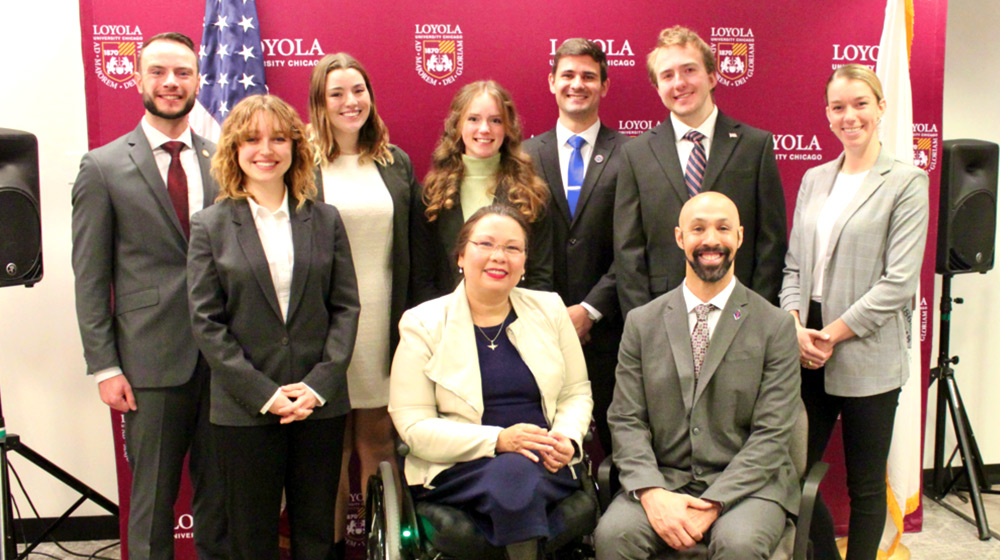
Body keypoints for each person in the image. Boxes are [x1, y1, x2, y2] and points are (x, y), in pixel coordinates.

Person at [70, 31, 227, 560]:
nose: (170, 83)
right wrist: (104, 367)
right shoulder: (103, 166)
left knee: (221, 501)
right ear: (138, 79)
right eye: (158, 72)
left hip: (226, 359)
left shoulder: (224, 160)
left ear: (197, 82)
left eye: (182, 73)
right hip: (149, 362)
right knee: (154, 504)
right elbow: (90, 277)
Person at [187, 94, 360, 560]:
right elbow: (207, 323)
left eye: (279, 138)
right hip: (246, 408)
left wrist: (319, 384)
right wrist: (263, 392)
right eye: (252, 139)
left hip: (317, 404)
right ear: (234, 150)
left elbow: (345, 308)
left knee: (315, 533)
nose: (266, 149)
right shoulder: (210, 225)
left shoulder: (325, 220)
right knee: (250, 536)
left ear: (295, 148)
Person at [596, 192, 800, 560]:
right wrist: (651, 493)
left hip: (749, 489)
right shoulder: (642, 323)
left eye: (723, 228)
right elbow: (626, 419)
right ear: (679, 238)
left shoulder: (775, 325)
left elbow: (773, 433)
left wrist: (713, 503)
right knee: (614, 536)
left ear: (739, 236)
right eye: (698, 229)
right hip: (664, 480)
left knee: (738, 545)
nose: (711, 240)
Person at [779, 64, 929, 560]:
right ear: (827, 115)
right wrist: (796, 325)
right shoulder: (814, 178)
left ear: (881, 107)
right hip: (806, 347)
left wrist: (831, 335)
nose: (850, 116)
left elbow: (898, 284)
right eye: (839, 107)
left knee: (865, 486)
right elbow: (794, 265)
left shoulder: (906, 182)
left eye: (861, 104)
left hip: (866, 348)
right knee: (793, 472)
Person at [390, 204, 592, 560]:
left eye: (513, 248)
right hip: (459, 465)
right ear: (461, 256)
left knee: (518, 476)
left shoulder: (551, 309)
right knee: (514, 476)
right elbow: (413, 426)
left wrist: (567, 438)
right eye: (486, 244)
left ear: (524, 263)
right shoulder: (422, 323)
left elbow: (576, 393)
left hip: (546, 459)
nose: (499, 256)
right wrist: (498, 440)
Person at [306, 52, 418, 550]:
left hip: (382, 326)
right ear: (319, 103)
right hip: (321, 328)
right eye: (337, 94)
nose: (351, 102)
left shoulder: (395, 163)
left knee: (377, 443)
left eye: (358, 90)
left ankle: (386, 548)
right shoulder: (300, 163)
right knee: (324, 458)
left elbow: (414, 251)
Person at [614, 25, 786, 319]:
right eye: (667, 76)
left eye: (689, 70)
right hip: (662, 314)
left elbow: (771, 241)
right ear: (657, 88)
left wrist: (757, 315)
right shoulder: (635, 153)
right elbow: (628, 251)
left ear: (711, 76)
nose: (679, 83)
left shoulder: (755, 146)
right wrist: (643, 323)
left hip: (740, 311)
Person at [522, 38, 628, 456]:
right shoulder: (526, 155)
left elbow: (636, 248)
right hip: (535, 331)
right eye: (567, 75)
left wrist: (589, 310)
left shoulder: (633, 155)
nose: (577, 84)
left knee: (619, 448)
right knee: (543, 446)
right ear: (551, 82)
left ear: (604, 85)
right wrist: (550, 312)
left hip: (609, 330)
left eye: (588, 76)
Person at [411, 80, 553, 305]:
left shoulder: (531, 193)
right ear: (457, 125)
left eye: (496, 120)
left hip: (516, 322)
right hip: (448, 325)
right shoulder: (432, 194)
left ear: (508, 128)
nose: (484, 129)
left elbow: (540, 276)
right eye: (473, 119)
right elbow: (423, 277)